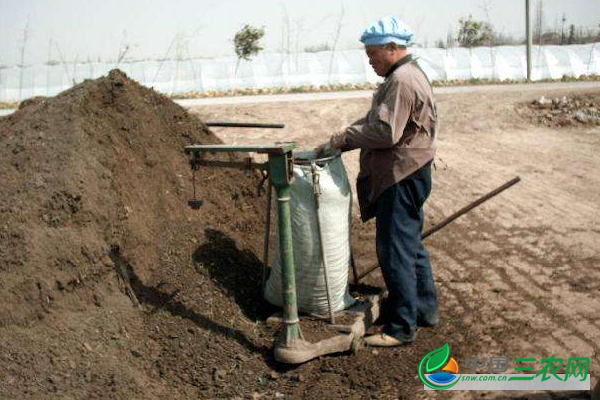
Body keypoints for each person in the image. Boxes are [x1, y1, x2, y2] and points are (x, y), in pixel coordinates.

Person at [315, 16, 439, 346]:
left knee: (395, 250)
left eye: (372, 53)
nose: (369, 60)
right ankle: (424, 310)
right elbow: (377, 121)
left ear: (392, 48)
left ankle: (400, 327)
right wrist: (344, 137)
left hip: (401, 176)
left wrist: (346, 137)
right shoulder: (407, 74)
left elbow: (385, 132)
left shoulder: (401, 81)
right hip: (411, 172)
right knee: (410, 246)